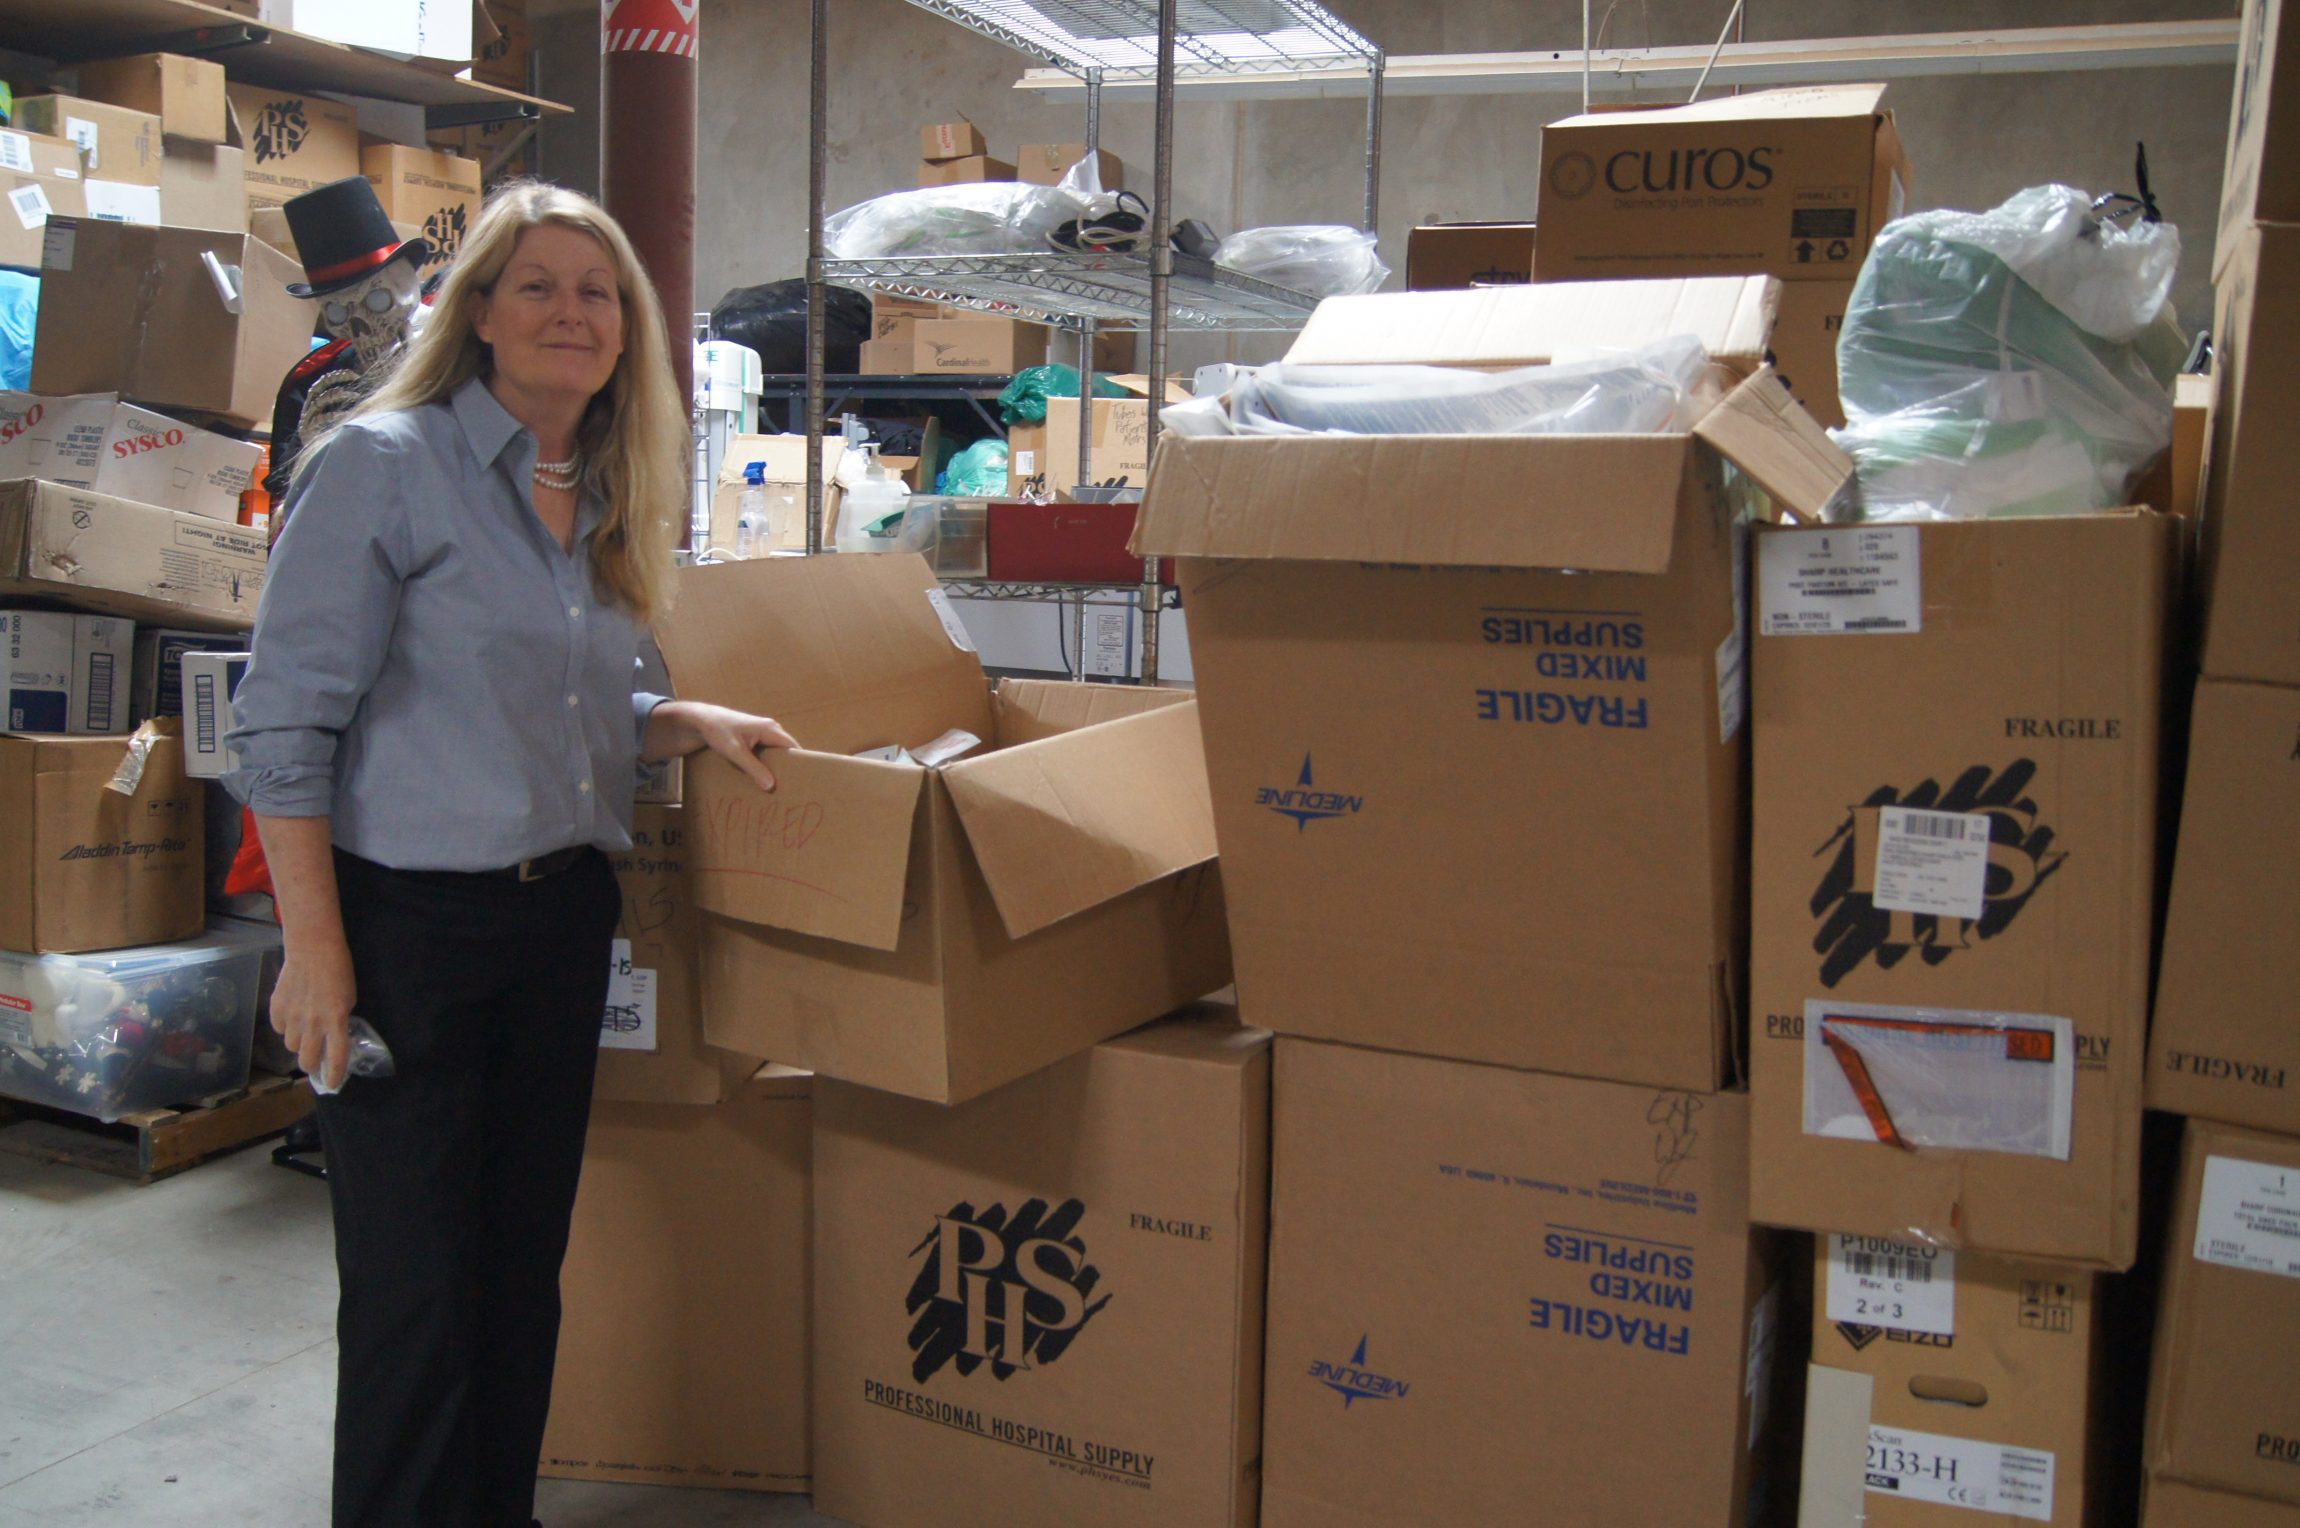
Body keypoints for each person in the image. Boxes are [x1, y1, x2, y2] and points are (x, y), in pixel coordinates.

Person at [223, 181, 795, 1528]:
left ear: (628, 329)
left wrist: (680, 721)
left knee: (517, 1269)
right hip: (404, 934)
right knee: (415, 1294)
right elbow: (283, 727)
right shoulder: (383, 464)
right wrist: (314, 953)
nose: (570, 313)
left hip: (557, 924)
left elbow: (567, 708)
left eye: (598, 293)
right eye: (536, 285)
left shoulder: (602, 490)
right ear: (478, 313)